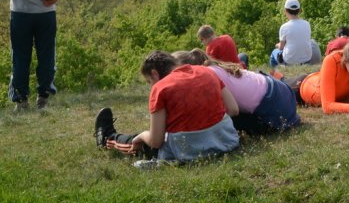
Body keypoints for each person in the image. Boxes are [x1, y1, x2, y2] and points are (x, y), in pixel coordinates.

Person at [94, 50, 240, 168]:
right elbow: (233, 109)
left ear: (155, 74)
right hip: (226, 141)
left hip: (187, 152)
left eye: (149, 81)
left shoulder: (160, 88)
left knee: (141, 141)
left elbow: (156, 141)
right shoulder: (207, 71)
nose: (151, 86)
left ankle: (107, 138)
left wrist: (142, 135)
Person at [175, 49, 300, 135]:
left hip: (275, 108)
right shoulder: (215, 67)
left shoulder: (207, 76)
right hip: (282, 93)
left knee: (225, 120)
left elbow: (232, 110)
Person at [292, 38, 349, 114]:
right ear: (345, 62)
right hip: (300, 87)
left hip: (319, 79)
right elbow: (327, 107)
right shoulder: (332, 60)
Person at [270, 0, 318, 68]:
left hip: (289, 61)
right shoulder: (307, 24)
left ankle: (274, 74)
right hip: (306, 60)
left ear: (285, 11)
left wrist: (277, 45)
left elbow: (281, 48)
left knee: (274, 52)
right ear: (299, 10)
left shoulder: (284, 27)